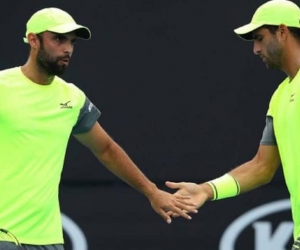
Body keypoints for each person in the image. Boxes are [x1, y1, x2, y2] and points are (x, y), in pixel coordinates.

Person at [0, 7, 198, 250]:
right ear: (33, 40)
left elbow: (106, 149)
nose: (67, 49)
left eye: (72, 42)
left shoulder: (72, 97)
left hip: (48, 240)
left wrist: (152, 192)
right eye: (59, 39)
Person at [165, 0, 300, 249]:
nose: (255, 49)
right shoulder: (280, 97)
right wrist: (207, 190)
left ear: (282, 31)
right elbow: (262, 166)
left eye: (259, 38)